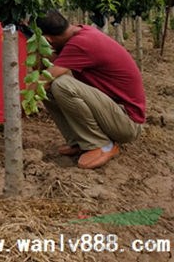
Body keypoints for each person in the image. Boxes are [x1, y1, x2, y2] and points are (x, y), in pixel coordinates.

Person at [34, 10, 145, 170]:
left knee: (61, 84)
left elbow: (45, 78)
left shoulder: (81, 44)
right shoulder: (79, 32)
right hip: (113, 112)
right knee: (49, 89)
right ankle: (79, 141)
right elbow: (46, 67)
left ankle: (102, 145)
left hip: (127, 122)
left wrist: (18, 105)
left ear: (48, 39)